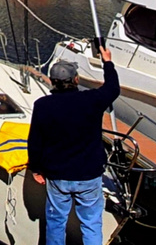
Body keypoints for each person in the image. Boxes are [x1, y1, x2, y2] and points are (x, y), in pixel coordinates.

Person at [28, 46, 120, 244]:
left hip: (57, 175)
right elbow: (113, 88)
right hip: (89, 174)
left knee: (55, 222)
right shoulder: (92, 100)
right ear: (76, 80)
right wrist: (107, 62)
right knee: (91, 222)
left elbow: (35, 141)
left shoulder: (42, 105)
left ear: (52, 82)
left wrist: (35, 168)